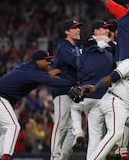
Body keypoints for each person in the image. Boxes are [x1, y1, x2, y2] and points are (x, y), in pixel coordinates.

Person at [0, 50, 76, 160]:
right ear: (38, 61)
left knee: (6, 130)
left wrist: (47, 75)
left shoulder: (29, 68)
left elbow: (35, 77)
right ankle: (6, 157)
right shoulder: (32, 72)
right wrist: (75, 82)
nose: (49, 63)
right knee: (13, 126)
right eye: (47, 60)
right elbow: (53, 82)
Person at [81, 44, 129, 160]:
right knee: (115, 133)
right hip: (115, 100)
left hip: (126, 106)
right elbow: (113, 76)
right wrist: (96, 87)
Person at [70, 36, 115, 159]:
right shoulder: (108, 56)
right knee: (96, 135)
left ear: (84, 47)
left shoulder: (82, 57)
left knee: (74, 108)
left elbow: (79, 74)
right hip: (102, 98)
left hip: (87, 95)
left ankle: (78, 131)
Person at [50, 19, 83, 160]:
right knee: (61, 124)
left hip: (73, 91)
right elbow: (76, 63)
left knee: (72, 129)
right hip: (62, 90)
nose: (78, 30)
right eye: (74, 28)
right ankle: (55, 157)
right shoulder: (63, 46)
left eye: (78, 27)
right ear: (66, 32)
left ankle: (63, 157)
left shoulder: (75, 48)